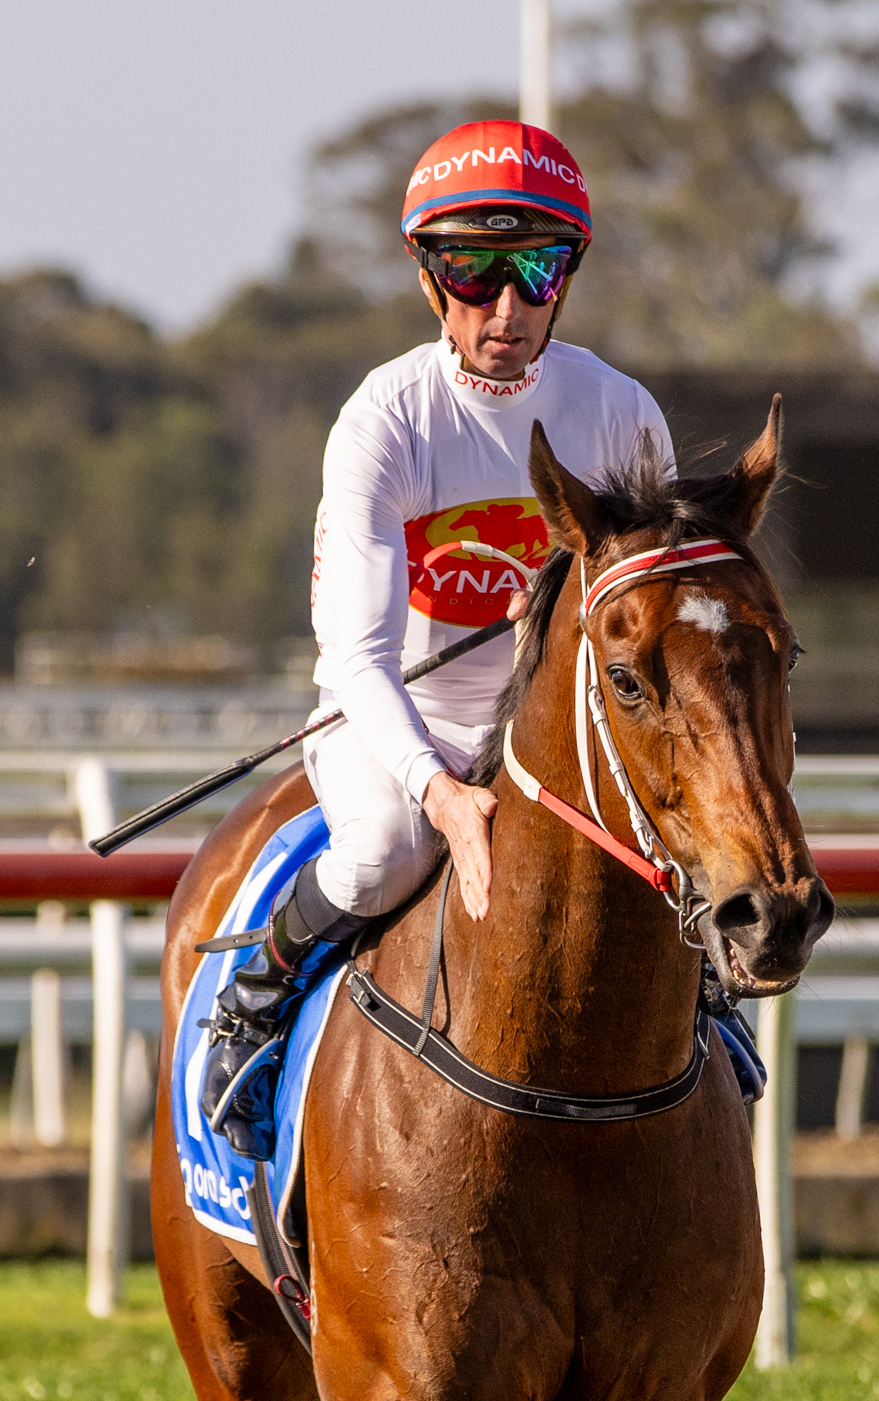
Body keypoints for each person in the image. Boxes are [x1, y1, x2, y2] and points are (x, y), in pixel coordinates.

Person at [201, 120, 675, 1148]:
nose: (505, 310)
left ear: (567, 279)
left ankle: (707, 1018)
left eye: (536, 272)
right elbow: (359, 661)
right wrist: (443, 793)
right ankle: (256, 998)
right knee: (383, 853)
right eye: (473, 272)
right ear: (429, 280)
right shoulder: (386, 421)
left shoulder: (622, 414)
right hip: (394, 721)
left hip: (548, 727)